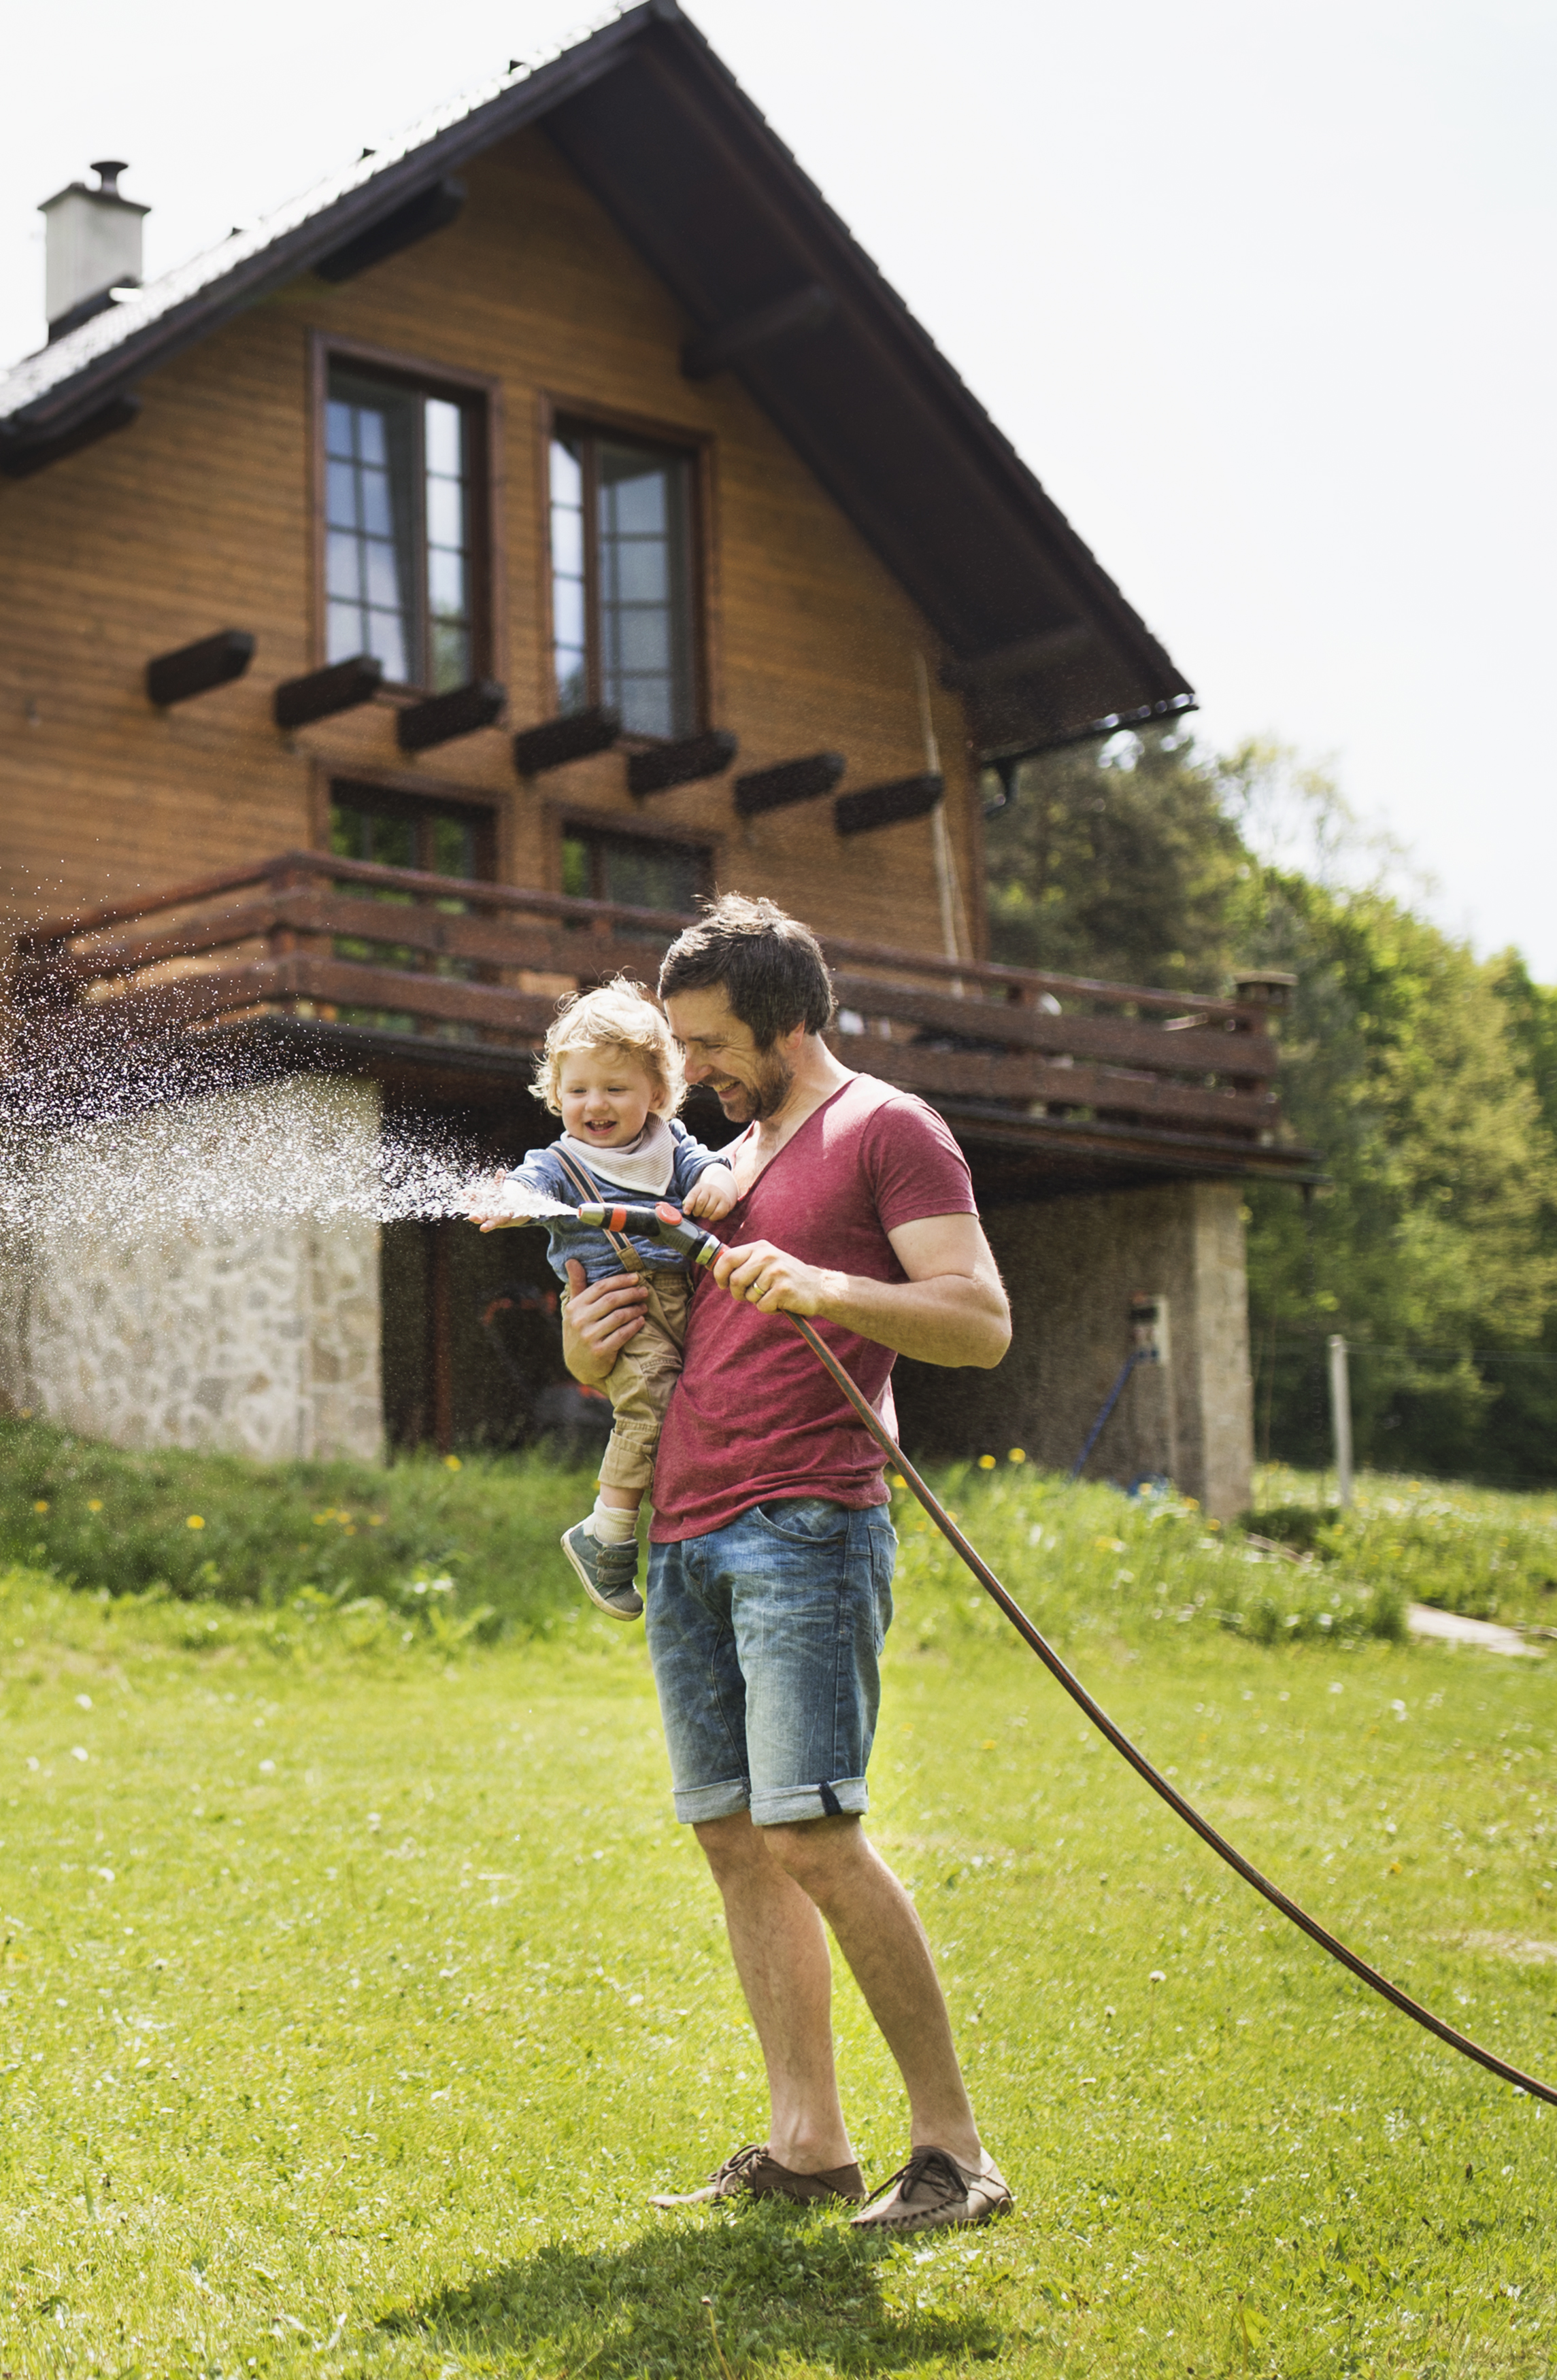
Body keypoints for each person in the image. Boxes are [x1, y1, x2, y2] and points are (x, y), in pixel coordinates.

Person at [554, 895, 1017, 2235]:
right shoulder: (720, 1164)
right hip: (686, 1531)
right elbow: (632, 1358)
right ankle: (807, 2141)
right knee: (734, 1838)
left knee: (811, 1829)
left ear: (785, 1017)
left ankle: (954, 2152)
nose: (687, 1074)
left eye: (707, 1044)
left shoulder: (886, 1128)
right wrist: (593, 1342)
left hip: (806, 1518)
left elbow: (977, 1322)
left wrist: (829, 1289)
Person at [464, 982, 741, 1619]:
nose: (595, 1104)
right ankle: (606, 1531)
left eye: (615, 1089)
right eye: (578, 1090)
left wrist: (720, 1181)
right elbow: (524, 1187)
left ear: (657, 1094)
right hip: (623, 1310)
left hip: (685, 1300)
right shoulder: (558, 1162)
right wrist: (509, 1202)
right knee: (649, 1400)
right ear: (556, 1093)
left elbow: (707, 1167)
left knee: (691, 1400)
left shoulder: (670, 1145)